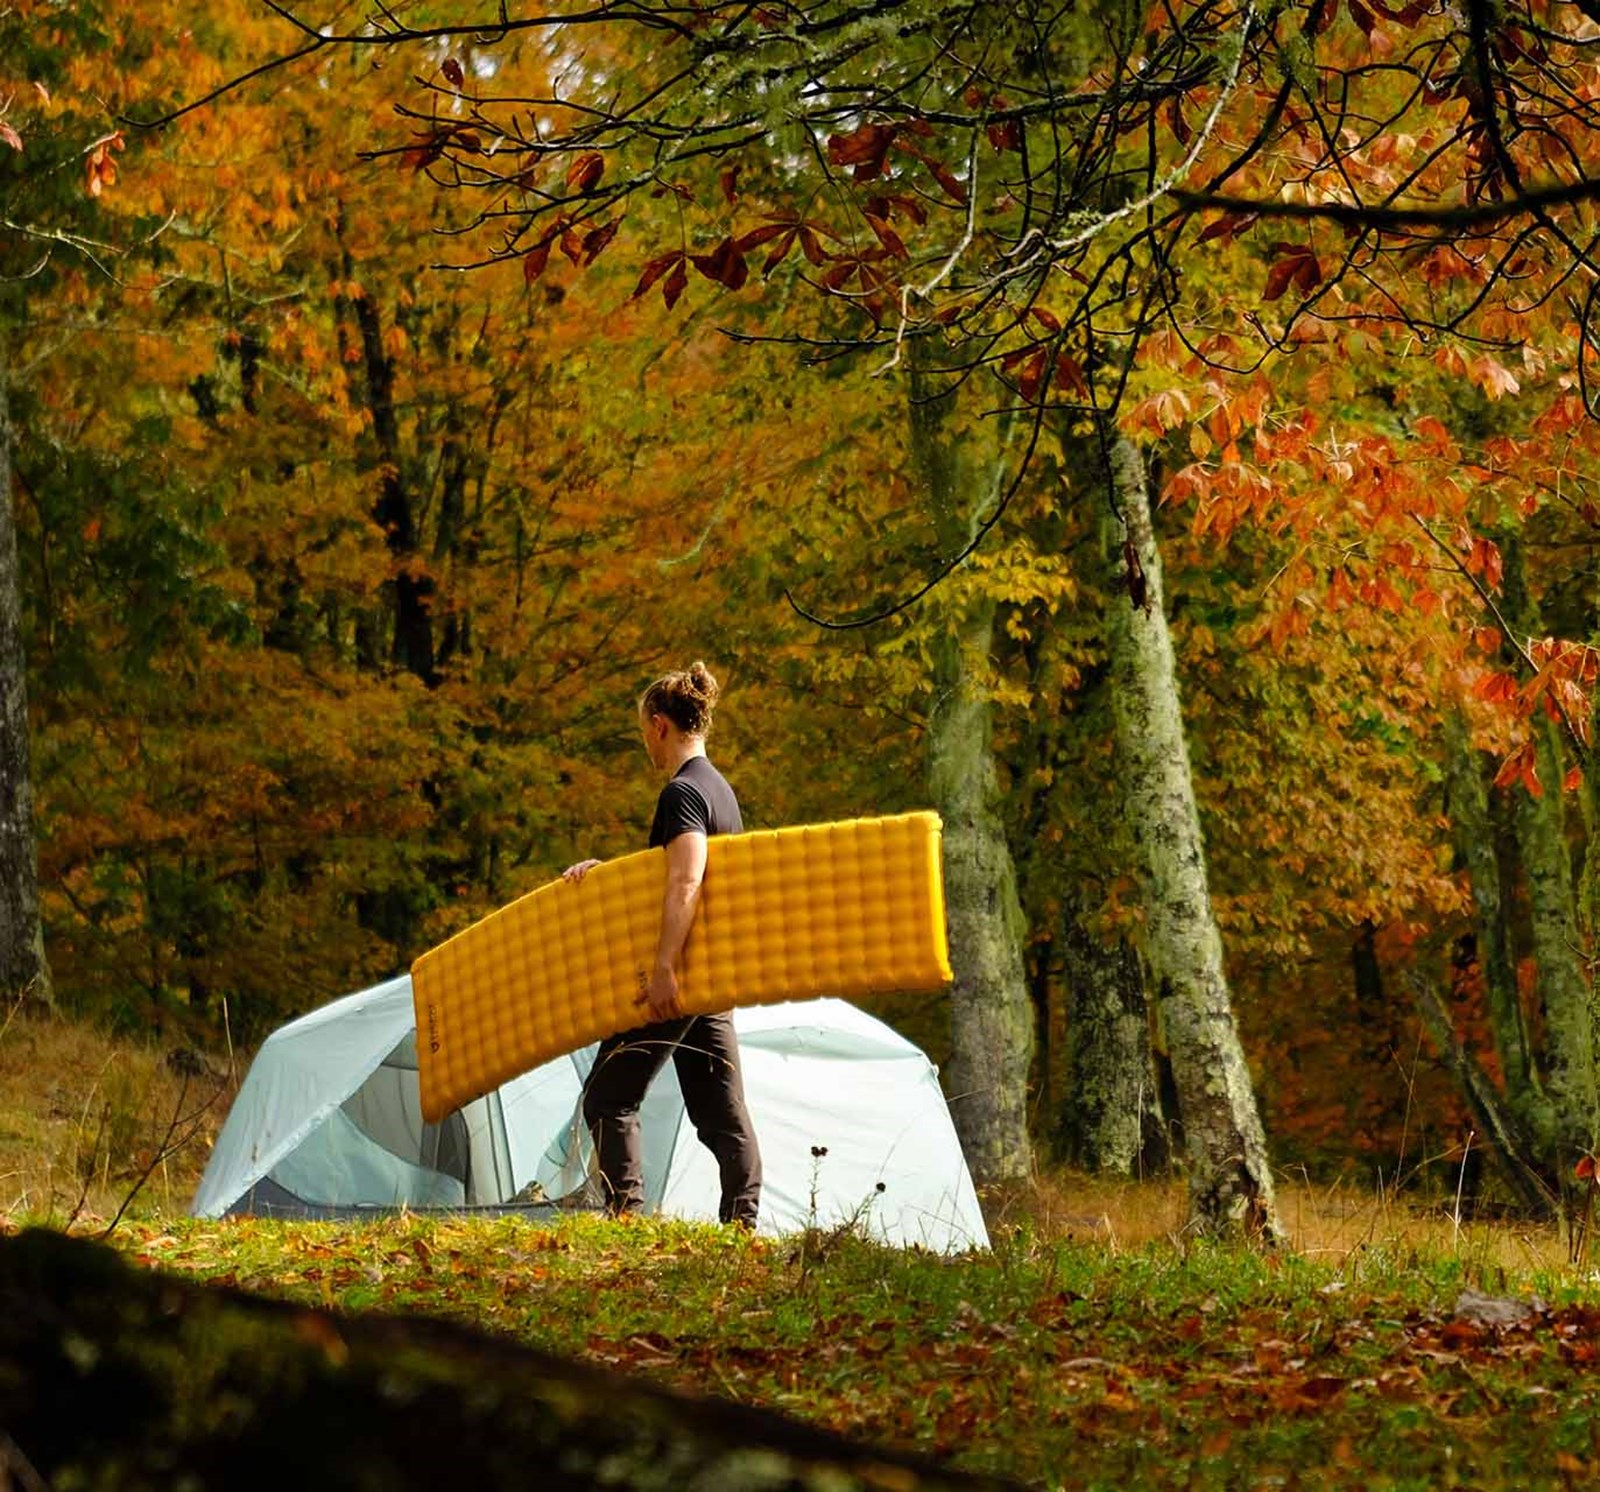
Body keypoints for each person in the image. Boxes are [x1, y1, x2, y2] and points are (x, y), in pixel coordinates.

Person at [562, 661, 763, 1228]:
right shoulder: (718, 791)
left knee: (608, 1096)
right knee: (721, 1117)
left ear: (658, 726)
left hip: (681, 974)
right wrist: (608, 878)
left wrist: (664, 968)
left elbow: (687, 879)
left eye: (642, 734)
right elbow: (667, 875)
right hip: (713, 976)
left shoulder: (680, 793)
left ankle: (625, 1218)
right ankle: (742, 1228)